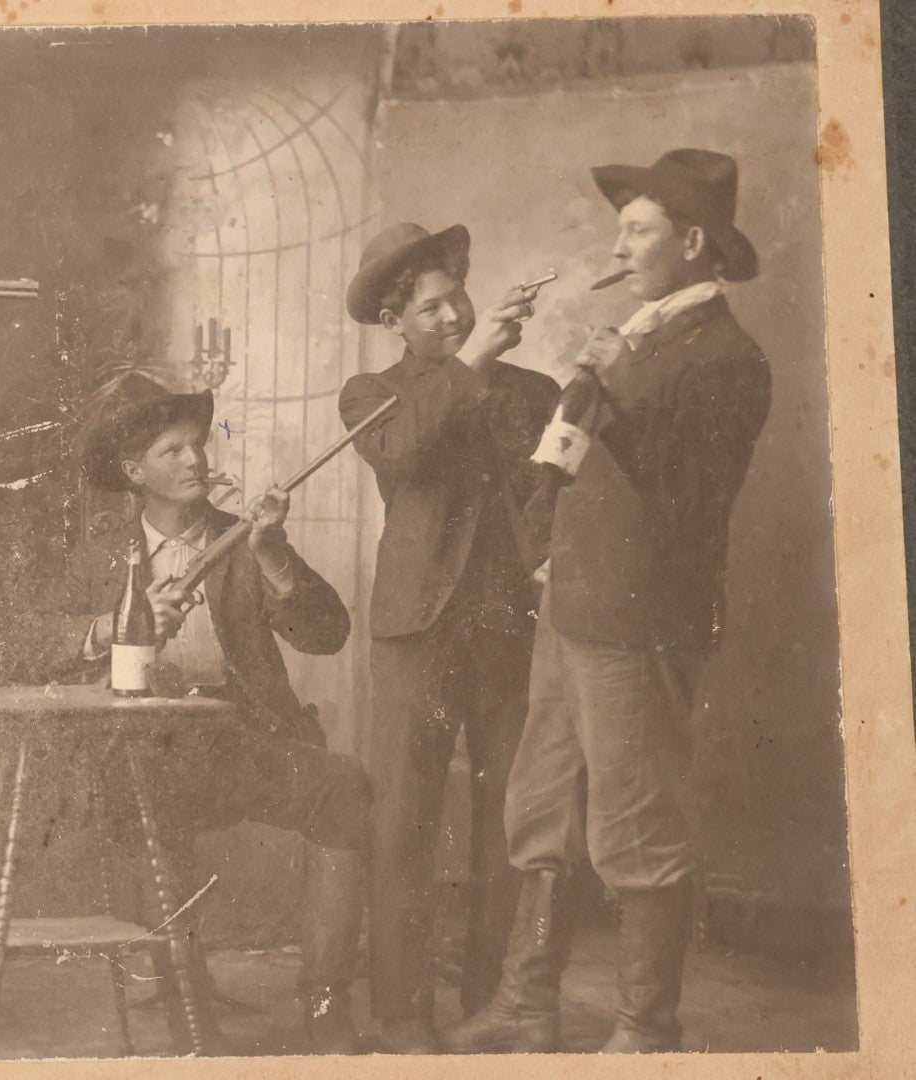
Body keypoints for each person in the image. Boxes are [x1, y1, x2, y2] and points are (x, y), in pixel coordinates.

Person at [444, 148, 771, 1055]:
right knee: (541, 811)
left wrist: (622, 380)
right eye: (620, 231)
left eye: (637, 230)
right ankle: (528, 1005)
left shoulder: (729, 358)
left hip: (640, 627)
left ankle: (644, 1030)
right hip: (573, 612)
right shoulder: (640, 337)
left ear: (692, 242)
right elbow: (565, 466)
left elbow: (692, 500)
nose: (618, 248)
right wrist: (544, 553)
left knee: (636, 825)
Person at [78, 373, 373, 1055]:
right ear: (134, 472)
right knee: (149, 812)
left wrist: (271, 552)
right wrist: (118, 627)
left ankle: (325, 1002)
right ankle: (187, 1008)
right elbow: (36, 638)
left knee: (345, 788)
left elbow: (326, 634)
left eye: (197, 445)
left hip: (241, 740)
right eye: (173, 451)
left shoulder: (240, 538)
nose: (196, 460)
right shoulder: (101, 549)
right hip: (141, 748)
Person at [336, 224, 558, 1053]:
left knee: (509, 816)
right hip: (416, 629)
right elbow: (403, 454)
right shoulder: (371, 393)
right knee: (404, 819)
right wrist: (472, 364)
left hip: (508, 622)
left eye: (455, 298)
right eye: (428, 309)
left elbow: (552, 490)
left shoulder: (533, 390)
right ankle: (403, 1015)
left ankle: (493, 1004)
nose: (452, 315)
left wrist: (545, 557)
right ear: (393, 321)